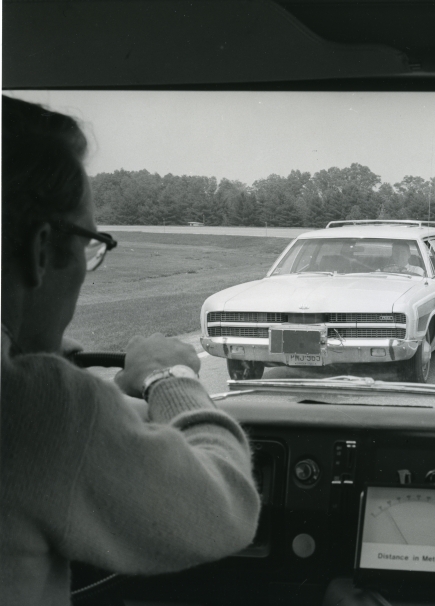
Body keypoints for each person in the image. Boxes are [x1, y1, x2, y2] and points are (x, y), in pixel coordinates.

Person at [0, 96, 261, 605]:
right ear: (41, 248)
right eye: (89, 243)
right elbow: (226, 505)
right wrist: (170, 379)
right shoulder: (39, 406)